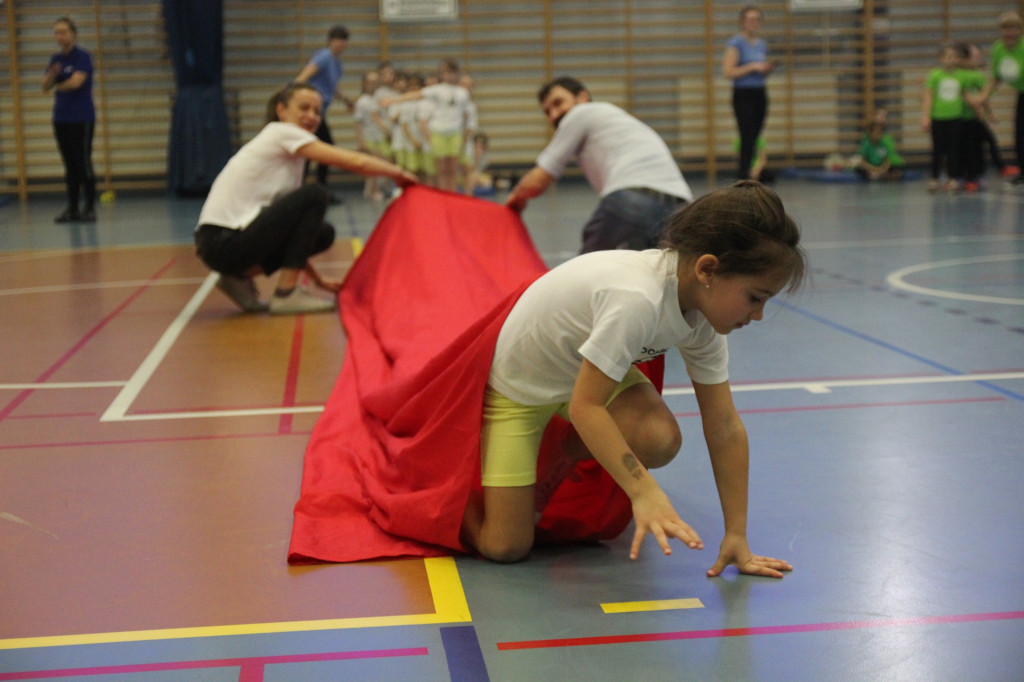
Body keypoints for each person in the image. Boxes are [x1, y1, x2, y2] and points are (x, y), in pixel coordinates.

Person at [460, 181, 804, 576]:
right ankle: (452, 504)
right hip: (520, 388)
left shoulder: (703, 316)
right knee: (506, 547)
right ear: (707, 269)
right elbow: (585, 405)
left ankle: (564, 449)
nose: (757, 315)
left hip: (582, 373)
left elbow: (724, 424)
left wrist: (737, 534)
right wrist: (643, 492)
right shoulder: (637, 299)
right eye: (755, 298)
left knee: (659, 440)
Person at [194, 82, 417, 315]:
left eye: (317, 111)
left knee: (323, 233)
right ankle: (286, 295)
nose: (311, 116)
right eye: (303, 108)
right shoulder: (282, 133)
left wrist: (318, 279)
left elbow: (293, 232)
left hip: (223, 246)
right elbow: (352, 160)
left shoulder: (291, 156)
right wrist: (398, 172)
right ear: (282, 111)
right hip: (221, 242)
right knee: (315, 194)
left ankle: (237, 278)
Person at [505, 76, 693, 253]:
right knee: (658, 279)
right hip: (680, 209)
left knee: (586, 273)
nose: (554, 114)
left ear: (582, 97)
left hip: (633, 200)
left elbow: (539, 180)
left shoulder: (580, 113)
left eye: (558, 103)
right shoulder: (615, 118)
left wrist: (513, 202)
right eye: (547, 112)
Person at [42, 16, 96, 224]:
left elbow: (76, 83)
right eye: (57, 32)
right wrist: (52, 79)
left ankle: (89, 208)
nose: (60, 36)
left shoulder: (82, 56)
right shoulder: (56, 59)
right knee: (69, 165)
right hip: (61, 117)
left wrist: (58, 83)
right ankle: (73, 208)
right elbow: (45, 87)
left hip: (81, 118)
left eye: (64, 31)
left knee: (83, 163)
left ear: (73, 33)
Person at [294, 25, 354, 196]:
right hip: (311, 113)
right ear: (330, 41)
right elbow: (303, 77)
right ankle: (311, 190)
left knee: (316, 150)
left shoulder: (337, 63)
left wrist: (346, 100)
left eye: (343, 41)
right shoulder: (324, 57)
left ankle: (310, 190)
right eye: (337, 40)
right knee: (321, 149)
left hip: (321, 112)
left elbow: (331, 87)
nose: (340, 44)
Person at [723, 6, 774, 181]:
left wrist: (765, 69)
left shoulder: (761, 44)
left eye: (757, 20)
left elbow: (761, 67)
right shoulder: (735, 44)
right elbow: (729, 72)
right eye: (750, 19)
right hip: (743, 94)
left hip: (759, 92)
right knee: (747, 134)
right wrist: (752, 67)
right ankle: (743, 173)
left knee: (756, 135)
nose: (753, 23)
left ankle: (754, 171)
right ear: (742, 22)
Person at [979, 11, 1024, 185]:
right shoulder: (999, 48)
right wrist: (983, 96)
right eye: (1006, 28)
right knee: (1019, 134)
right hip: (1022, 93)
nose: (1010, 32)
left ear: (1019, 30)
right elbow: (996, 78)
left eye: (1014, 28)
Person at [921, 43, 966, 192]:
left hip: (955, 117)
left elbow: (966, 95)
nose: (949, 59)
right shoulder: (935, 75)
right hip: (938, 117)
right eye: (946, 56)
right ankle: (935, 178)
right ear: (940, 59)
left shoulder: (961, 75)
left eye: (952, 56)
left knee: (954, 149)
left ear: (957, 59)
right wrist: (926, 116)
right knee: (938, 150)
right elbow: (928, 96)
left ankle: (953, 178)